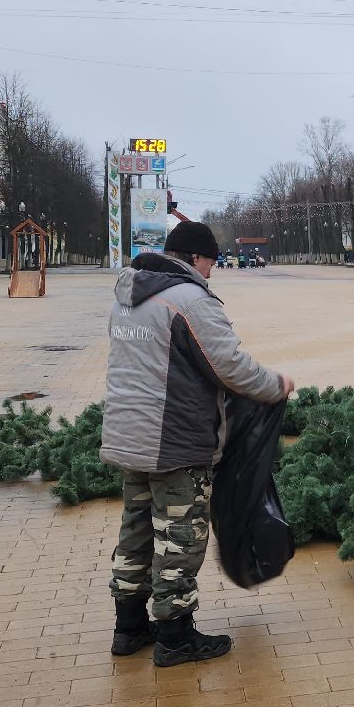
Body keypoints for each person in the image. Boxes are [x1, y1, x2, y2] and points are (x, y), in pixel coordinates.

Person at [101, 220, 295, 666]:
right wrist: (276, 385)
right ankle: (175, 636)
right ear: (194, 257)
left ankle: (128, 627)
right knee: (180, 536)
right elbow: (229, 366)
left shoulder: (128, 297)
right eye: (210, 262)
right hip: (174, 439)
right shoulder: (188, 300)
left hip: (129, 434)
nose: (212, 271)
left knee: (136, 531)